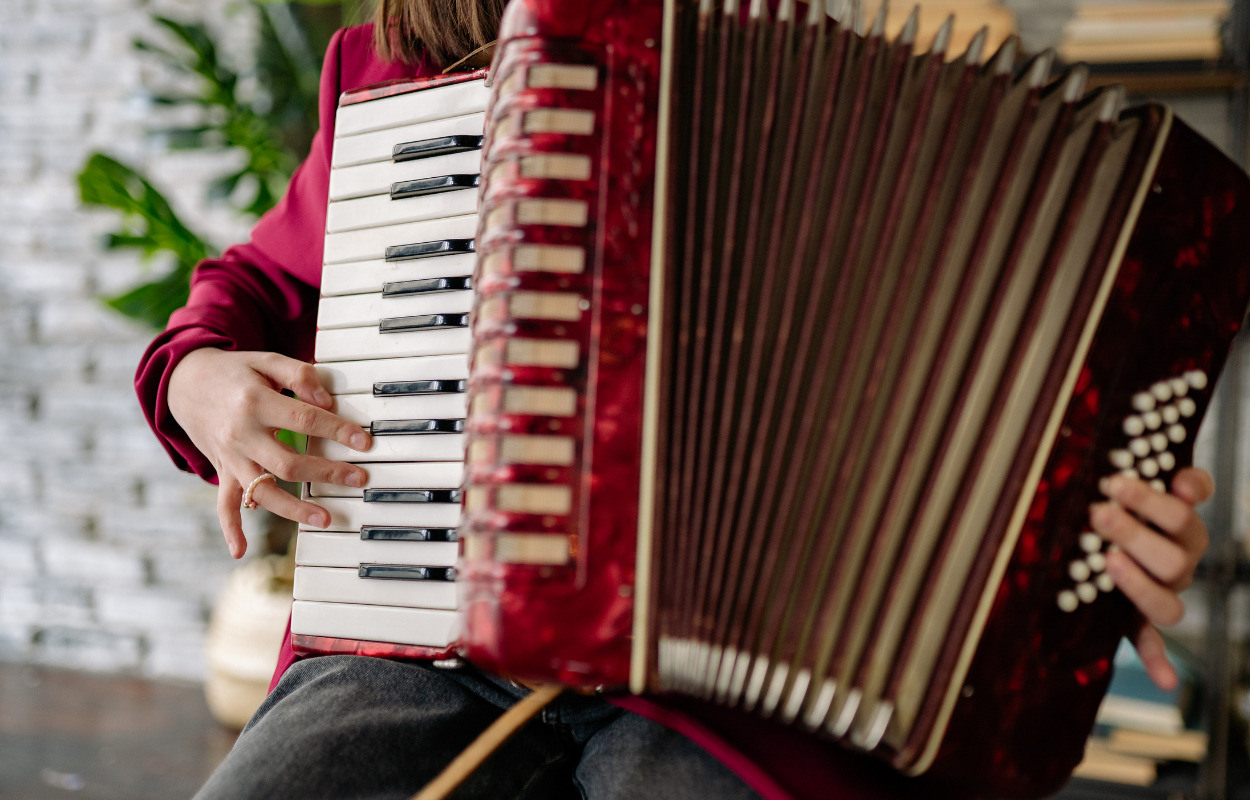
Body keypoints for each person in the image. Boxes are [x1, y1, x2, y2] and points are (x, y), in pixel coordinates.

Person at [135, 1, 1216, 798]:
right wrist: (195, 375)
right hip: (426, 631)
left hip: (729, 692)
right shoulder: (396, 66)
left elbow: (1022, 367)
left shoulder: (866, 38)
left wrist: (1100, 532)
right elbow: (254, 286)